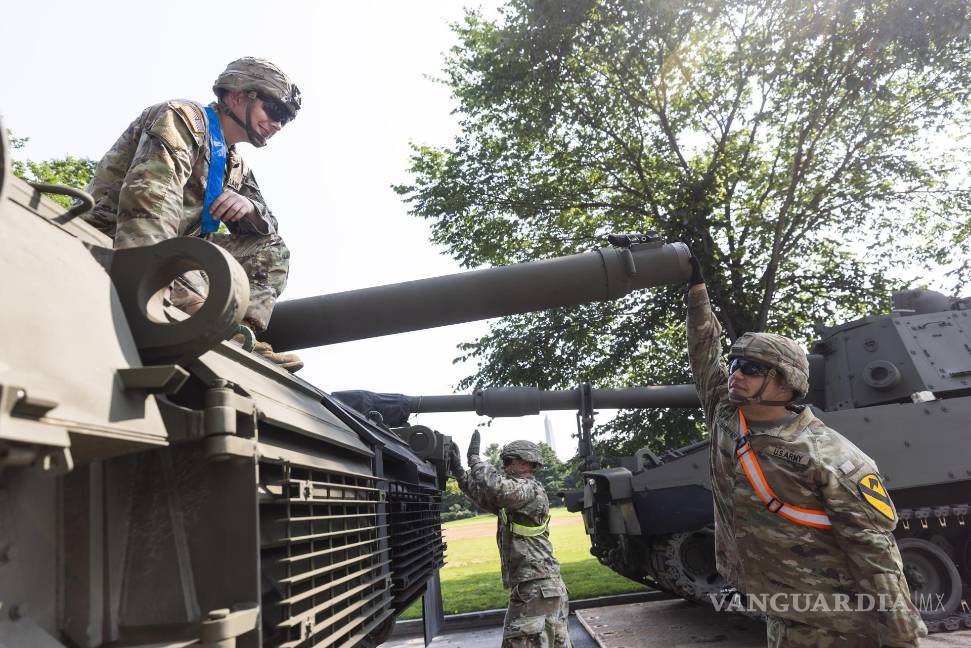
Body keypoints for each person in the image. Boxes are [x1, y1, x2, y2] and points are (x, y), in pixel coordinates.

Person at [684, 256, 927, 647]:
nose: (735, 375)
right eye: (734, 365)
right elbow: (703, 352)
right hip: (782, 612)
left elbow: (875, 552)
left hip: (837, 625)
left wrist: (903, 637)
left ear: (786, 382)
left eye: (751, 368)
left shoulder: (831, 455)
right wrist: (696, 290)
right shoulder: (727, 418)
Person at [83, 57, 303, 371]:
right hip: (115, 237)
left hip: (178, 251)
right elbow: (151, 199)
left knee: (273, 249)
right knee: (175, 249)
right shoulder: (182, 120)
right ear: (239, 96)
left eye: (286, 119)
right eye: (275, 111)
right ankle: (219, 326)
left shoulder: (234, 164)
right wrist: (151, 281)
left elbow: (268, 227)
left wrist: (250, 209)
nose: (278, 124)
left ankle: (242, 335)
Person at [447, 434, 572, 648]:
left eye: (507, 462)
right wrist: (459, 471)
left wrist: (475, 460)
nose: (503, 467)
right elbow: (485, 496)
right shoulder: (517, 497)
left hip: (538, 589)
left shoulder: (529, 490)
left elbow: (496, 488)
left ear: (525, 462)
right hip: (536, 587)